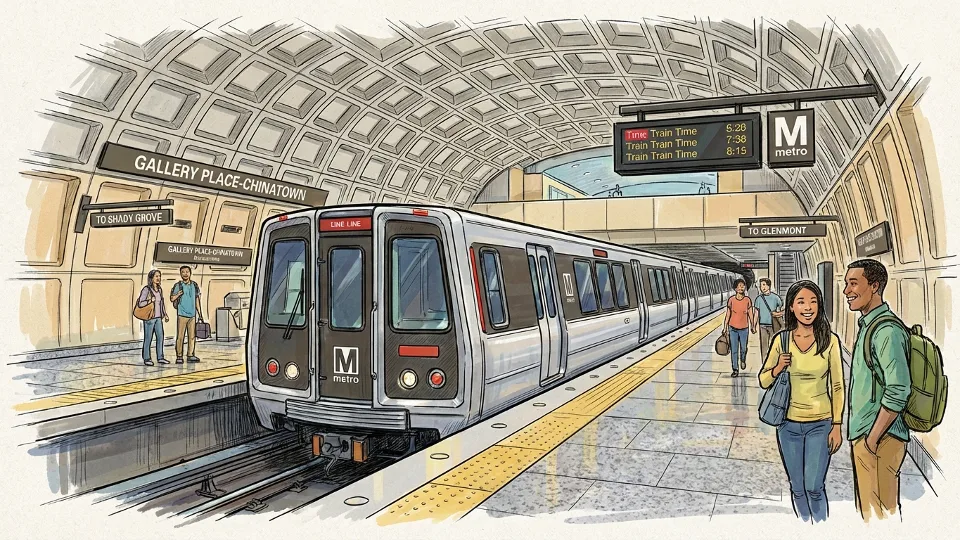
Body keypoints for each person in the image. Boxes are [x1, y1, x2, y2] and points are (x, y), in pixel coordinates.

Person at [759, 280, 845, 522]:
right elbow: (763, 380)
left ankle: (820, 527)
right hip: (787, 425)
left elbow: (837, 386)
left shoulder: (830, 341)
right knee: (797, 488)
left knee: (814, 487)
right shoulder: (781, 340)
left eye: (813, 302)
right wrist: (778, 367)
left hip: (821, 423)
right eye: (801, 302)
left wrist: (837, 425)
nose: (808, 307)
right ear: (791, 307)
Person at [843, 259, 911, 521]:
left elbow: (898, 389)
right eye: (846, 284)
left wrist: (871, 440)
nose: (847, 291)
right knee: (873, 510)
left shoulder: (886, 330)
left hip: (880, 438)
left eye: (853, 284)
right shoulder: (870, 325)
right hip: (870, 435)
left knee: (878, 516)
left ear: (874, 286)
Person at [723, 278, 756, 377]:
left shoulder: (747, 300)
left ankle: (743, 359)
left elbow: (750, 313)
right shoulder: (731, 300)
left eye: (743, 286)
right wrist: (725, 327)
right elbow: (728, 314)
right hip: (732, 328)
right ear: (735, 288)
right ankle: (735, 369)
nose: (742, 288)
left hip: (744, 328)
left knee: (743, 348)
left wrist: (753, 325)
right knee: (734, 349)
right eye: (739, 286)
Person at [136, 270, 169, 366]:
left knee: (160, 337)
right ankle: (147, 358)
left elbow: (161, 303)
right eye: (156, 276)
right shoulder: (146, 289)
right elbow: (140, 303)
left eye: (159, 276)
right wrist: (150, 300)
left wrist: (165, 314)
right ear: (151, 278)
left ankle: (160, 357)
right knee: (148, 338)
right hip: (149, 318)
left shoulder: (159, 289)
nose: (158, 278)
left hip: (158, 318)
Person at [171, 265, 202, 364]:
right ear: (180, 274)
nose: (185, 274)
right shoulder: (178, 285)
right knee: (180, 336)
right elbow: (172, 298)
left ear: (190, 273)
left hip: (192, 315)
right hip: (182, 314)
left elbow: (197, 300)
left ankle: (190, 355)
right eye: (183, 272)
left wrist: (200, 313)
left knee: (192, 336)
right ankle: (179, 356)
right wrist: (178, 294)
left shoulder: (194, 285)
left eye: (187, 272)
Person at [753, 278, 785, 366]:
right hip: (762, 326)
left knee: (774, 346)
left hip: (773, 326)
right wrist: (753, 325)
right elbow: (756, 313)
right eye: (761, 285)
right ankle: (765, 365)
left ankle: (774, 363)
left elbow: (782, 310)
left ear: (768, 286)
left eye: (764, 285)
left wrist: (778, 314)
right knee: (764, 347)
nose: (762, 287)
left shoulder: (776, 298)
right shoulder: (758, 299)